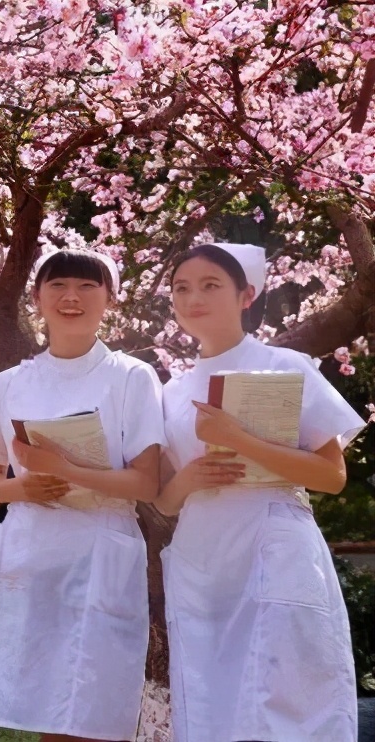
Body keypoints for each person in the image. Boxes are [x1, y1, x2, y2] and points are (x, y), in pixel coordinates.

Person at [157, 243, 366, 742]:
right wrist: (187, 480)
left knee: (285, 692)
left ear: (246, 294)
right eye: (182, 289)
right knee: (208, 693)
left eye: (210, 286)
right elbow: (162, 500)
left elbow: (331, 476)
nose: (194, 298)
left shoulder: (285, 366)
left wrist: (241, 440)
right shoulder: (169, 391)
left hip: (274, 541)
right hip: (202, 554)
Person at [0, 249, 166, 742]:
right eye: (58, 286)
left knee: (93, 708)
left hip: (101, 550)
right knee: (45, 709)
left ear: (110, 300)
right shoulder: (12, 383)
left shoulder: (131, 377)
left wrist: (66, 468)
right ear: (36, 298)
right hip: (35, 556)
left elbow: (146, 483)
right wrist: (20, 488)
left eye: (88, 287)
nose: (71, 298)